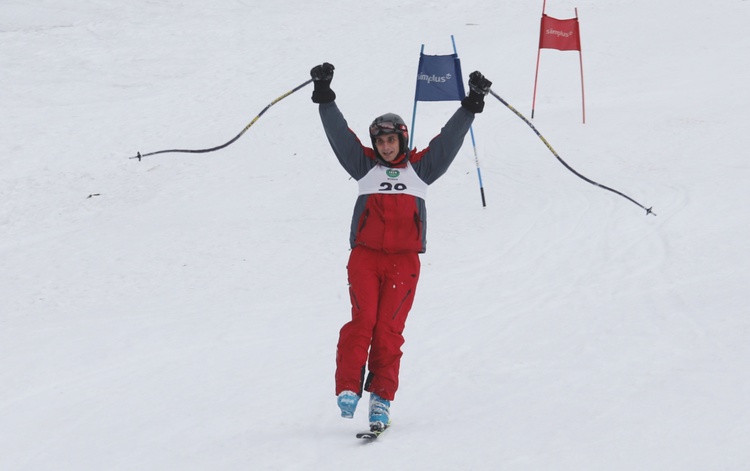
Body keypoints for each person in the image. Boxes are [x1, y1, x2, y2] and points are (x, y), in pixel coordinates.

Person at [310, 62, 492, 432]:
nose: (386, 146)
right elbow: (340, 136)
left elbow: (448, 140)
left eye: (391, 140)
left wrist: (471, 103)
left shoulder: (420, 170)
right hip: (365, 257)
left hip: (404, 263)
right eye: (380, 141)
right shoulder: (364, 166)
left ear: (402, 140)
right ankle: (348, 386)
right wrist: (325, 96)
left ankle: (381, 399)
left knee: (389, 329)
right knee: (363, 321)